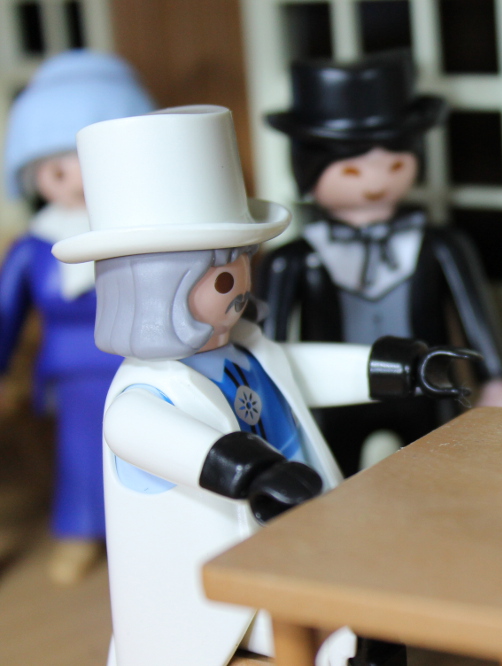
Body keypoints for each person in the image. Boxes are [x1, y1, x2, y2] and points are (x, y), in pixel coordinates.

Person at [52, 105, 476, 666]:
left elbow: (304, 368)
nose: (241, 289)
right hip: (213, 590)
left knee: (370, 625)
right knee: (344, 635)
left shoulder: (249, 348)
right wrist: (254, 472)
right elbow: (157, 437)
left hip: (297, 538)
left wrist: (400, 367)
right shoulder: (140, 394)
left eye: (243, 267)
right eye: (223, 277)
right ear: (159, 289)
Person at [258, 50, 502, 477]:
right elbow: (269, 340)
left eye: (395, 164)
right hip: (333, 395)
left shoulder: (441, 245)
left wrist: (494, 377)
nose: (376, 182)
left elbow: (475, 315)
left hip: (426, 388)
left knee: (442, 474)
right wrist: (269, 400)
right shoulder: (293, 260)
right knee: (331, 478)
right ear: (306, 168)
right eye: (352, 171)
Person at [0, 49, 154, 583]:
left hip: (141, 358)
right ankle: (82, 529)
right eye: (59, 169)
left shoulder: (139, 232)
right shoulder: (34, 245)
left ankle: (151, 532)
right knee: (81, 454)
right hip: (75, 372)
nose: (77, 182)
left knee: (151, 449)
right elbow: (7, 311)